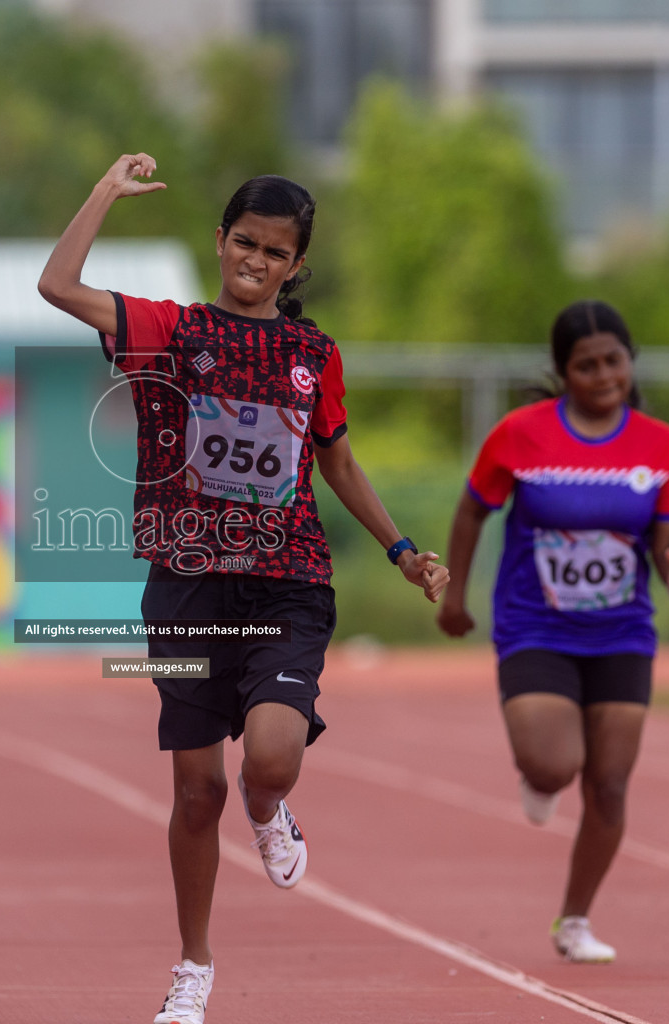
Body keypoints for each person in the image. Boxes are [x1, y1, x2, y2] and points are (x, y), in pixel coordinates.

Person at [39, 154, 450, 1024]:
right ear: (220, 241)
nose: (255, 262)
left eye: (275, 253)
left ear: (297, 266)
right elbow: (57, 284)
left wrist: (402, 549)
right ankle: (194, 966)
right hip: (187, 590)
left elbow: (333, 455)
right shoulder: (168, 330)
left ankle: (273, 807)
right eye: (243, 243)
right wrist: (105, 193)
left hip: (287, 583)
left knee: (266, 760)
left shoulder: (313, 354)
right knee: (197, 793)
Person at [435, 300, 669, 964]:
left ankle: (573, 920)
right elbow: (472, 511)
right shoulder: (520, 434)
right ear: (563, 371)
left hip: (622, 632)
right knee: (556, 763)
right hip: (535, 625)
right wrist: (455, 597)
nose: (603, 374)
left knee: (609, 784)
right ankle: (540, 775)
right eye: (586, 365)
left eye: (613, 360)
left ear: (628, 361)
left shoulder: (659, 443)